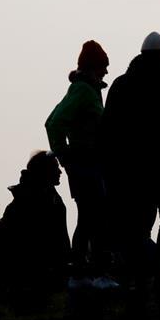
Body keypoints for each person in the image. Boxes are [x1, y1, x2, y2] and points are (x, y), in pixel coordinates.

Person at [100, 31, 160, 287]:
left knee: (141, 223)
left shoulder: (121, 84)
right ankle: (159, 268)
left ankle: (140, 270)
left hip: (132, 170)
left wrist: (111, 168)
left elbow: (108, 131)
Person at [45, 39, 114, 287]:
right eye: (104, 66)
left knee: (87, 219)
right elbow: (53, 123)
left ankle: (81, 274)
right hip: (85, 163)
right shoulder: (83, 91)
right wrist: (64, 156)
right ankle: (96, 274)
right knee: (94, 219)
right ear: (94, 67)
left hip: (89, 163)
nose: (106, 71)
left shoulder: (86, 89)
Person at [0, 151, 70, 303]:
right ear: (45, 172)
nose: (60, 172)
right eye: (55, 168)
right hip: (20, 267)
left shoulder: (41, 195)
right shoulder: (39, 200)